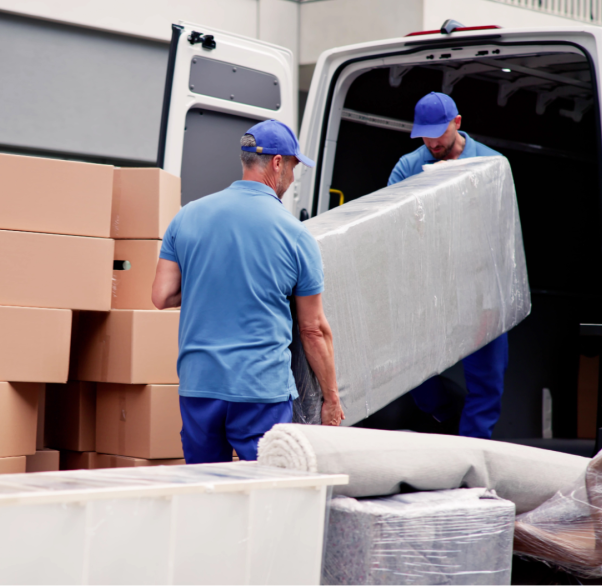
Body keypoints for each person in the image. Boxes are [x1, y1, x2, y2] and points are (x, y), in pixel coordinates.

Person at [151, 119, 344, 464]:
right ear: (277, 163)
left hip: (199, 384)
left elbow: (161, 295)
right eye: (295, 166)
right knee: (266, 491)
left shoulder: (187, 216)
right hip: (260, 390)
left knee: (204, 489)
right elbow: (313, 329)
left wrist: (209, 281)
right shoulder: (295, 235)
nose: (294, 176)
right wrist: (331, 397)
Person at [388, 91, 509, 440]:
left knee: (487, 383)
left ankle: (471, 459)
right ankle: (449, 415)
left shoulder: (491, 164)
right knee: (411, 375)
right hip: (427, 292)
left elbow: (500, 240)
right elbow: (389, 230)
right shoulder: (408, 167)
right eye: (423, 135)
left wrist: (492, 303)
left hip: (479, 291)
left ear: (457, 123)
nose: (431, 142)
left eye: (437, 133)